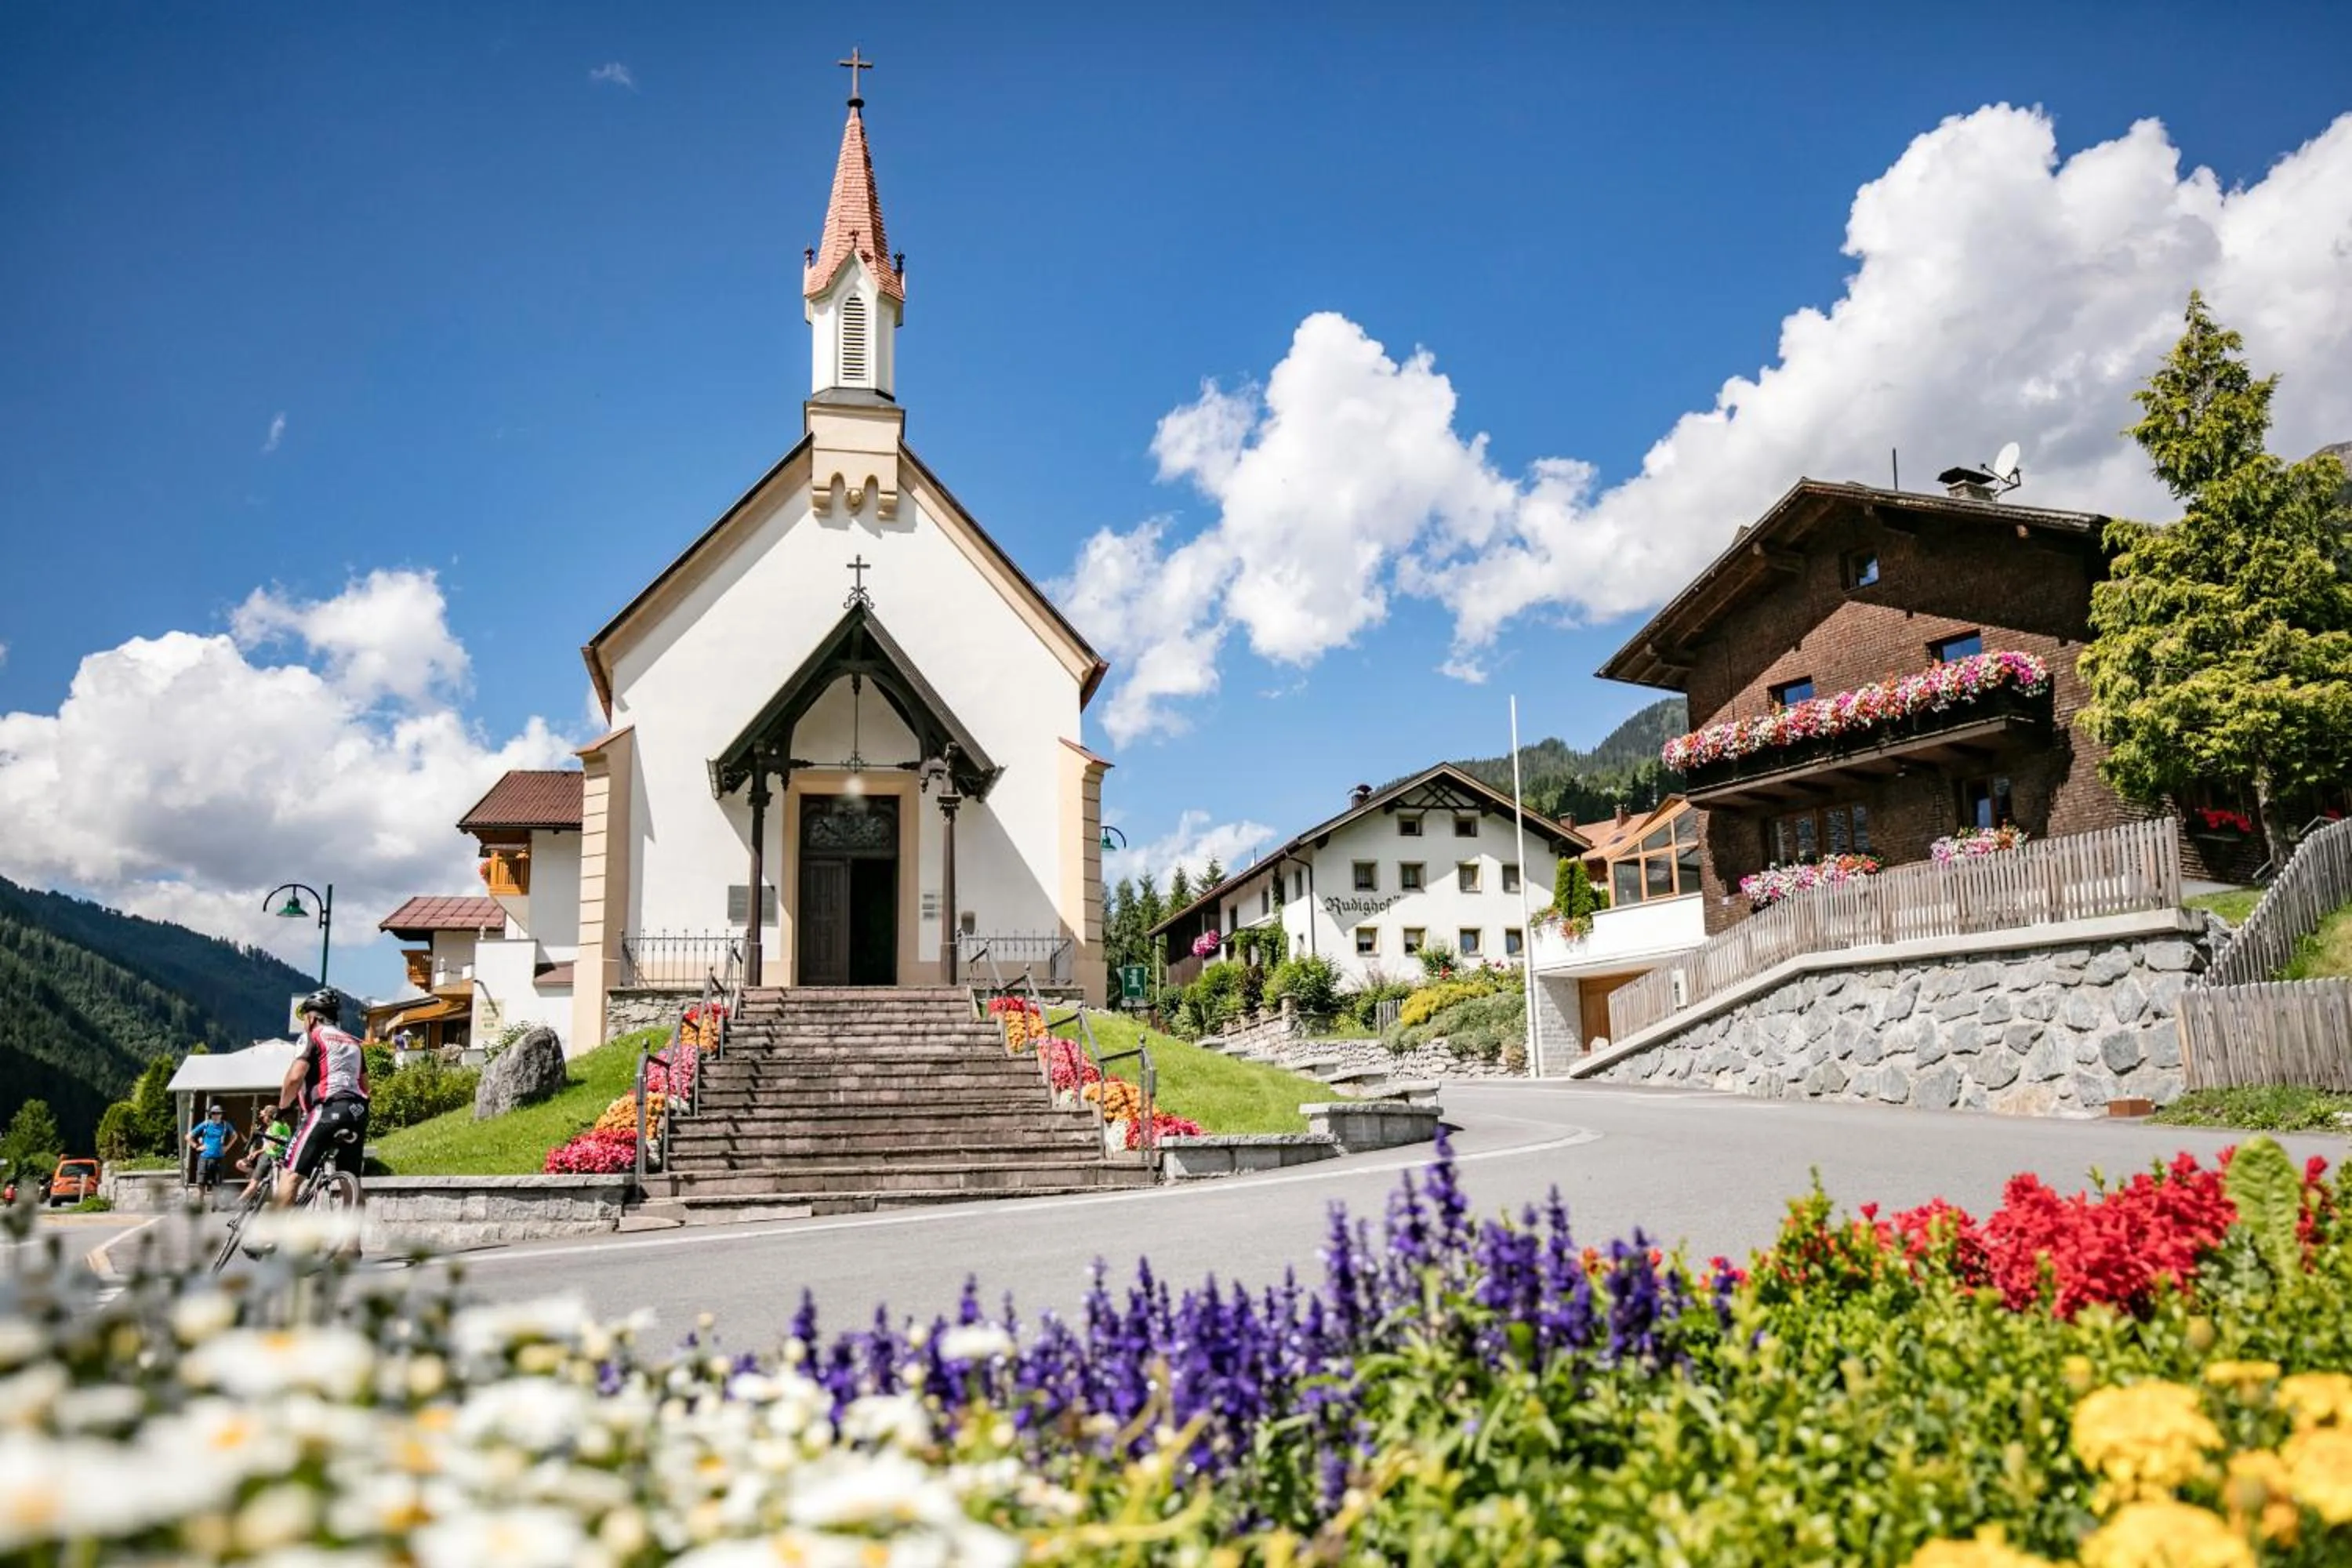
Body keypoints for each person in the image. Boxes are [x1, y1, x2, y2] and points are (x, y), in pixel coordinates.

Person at [277, 989, 371, 1213]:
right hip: (358, 1111)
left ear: (312, 1018)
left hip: (327, 1108)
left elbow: (295, 1078)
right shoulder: (354, 1042)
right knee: (351, 1182)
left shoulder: (313, 1036)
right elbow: (366, 1087)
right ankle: (352, 1235)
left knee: (290, 1174)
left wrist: (283, 1107)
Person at [235, 1105, 295, 1203]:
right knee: (241, 1164)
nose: (262, 1118)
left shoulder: (275, 1125)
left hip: (270, 1156)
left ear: (269, 1116)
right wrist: (257, 1152)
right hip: (272, 1155)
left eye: (264, 1116)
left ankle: (237, 1203)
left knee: (252, 1185)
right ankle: (259, 1178)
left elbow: (274, 1145)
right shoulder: (281, 1125)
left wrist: (259, 1150)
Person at [186, 1104, 242, 1200]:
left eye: (218, 1113)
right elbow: (188, 1136)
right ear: (211, 1114)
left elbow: (235, 1136)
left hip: (219, 1158)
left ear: (221, 1114)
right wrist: (197, 1146)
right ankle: (200, 1203)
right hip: (204, 1157)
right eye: (214, 1113)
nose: (216, 1115)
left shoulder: (226, 1125)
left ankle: (215, 1204)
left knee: (217, 1184)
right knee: (201, 1183)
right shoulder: (206, 1124)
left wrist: (227, 1147)